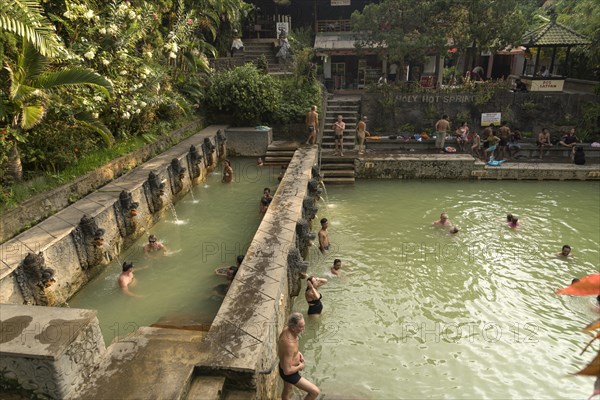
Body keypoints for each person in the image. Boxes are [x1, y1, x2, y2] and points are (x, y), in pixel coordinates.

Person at [278, 312, 320, 400]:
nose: (303, 329)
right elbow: (287, 371)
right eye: (301, 327)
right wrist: (300, 366)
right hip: (289, 373)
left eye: (304, 325)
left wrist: (297, 353)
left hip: (285, 365)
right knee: (315, 392)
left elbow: (287, 351)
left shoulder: (287, 329)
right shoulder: (289, 344)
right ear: (293, 327)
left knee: (288, 390)